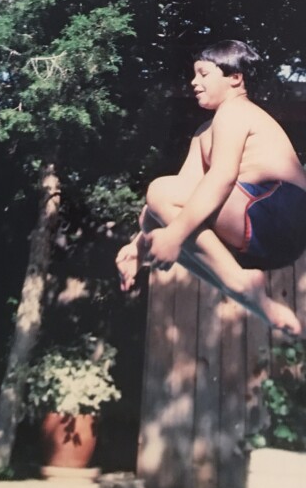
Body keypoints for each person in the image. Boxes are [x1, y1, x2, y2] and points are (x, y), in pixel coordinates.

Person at [116, 39, 306, 334]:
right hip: (267, 237)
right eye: (194, 75)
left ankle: (239, 284)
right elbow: (183, 192)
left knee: (161, 195)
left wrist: (175, 236)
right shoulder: (203, 132)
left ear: (235, 78)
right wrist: (137, 248)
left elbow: (222, 177)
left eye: (203, 74)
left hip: (281, 211)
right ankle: (253, 299)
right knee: (150, 218)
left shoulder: (236, 111)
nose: (194, 82)